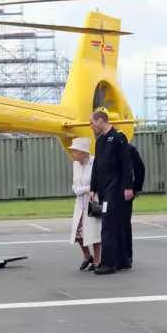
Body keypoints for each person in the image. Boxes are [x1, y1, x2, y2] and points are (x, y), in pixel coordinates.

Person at [88, 110, 134, 275]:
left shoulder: (118, 138)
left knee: (108, 225)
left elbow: (126, 164)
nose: (91, 126)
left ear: (101, 121)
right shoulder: (100, 142)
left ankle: (108, 263)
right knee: (115, 224)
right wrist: (92, 188)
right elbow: (97, 166)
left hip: (115, 189)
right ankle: (123, 260)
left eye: (92, 122)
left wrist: (128, 187)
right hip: (104, 189)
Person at [67, 137, 101, 271]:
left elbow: (97, 183)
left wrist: (82, 190)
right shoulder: (75, 164)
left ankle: (97, 260)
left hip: (92, 200)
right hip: (80, 202)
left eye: (74, 151)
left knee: (94, 232)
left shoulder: (94, 162)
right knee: (77, 232)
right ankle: (87, 256)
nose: (71, 153)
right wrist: (74, 189)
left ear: (82, 152)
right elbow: (76, 181)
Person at [121, 142, 145, 266]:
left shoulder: (128, 149)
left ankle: (125, 256)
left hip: (118, 190)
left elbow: (140, 168)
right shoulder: (129, 148)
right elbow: (140, 168)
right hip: (123, 190)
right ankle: (126, 257)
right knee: (123, 224)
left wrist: (135, 188)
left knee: (120, 225)